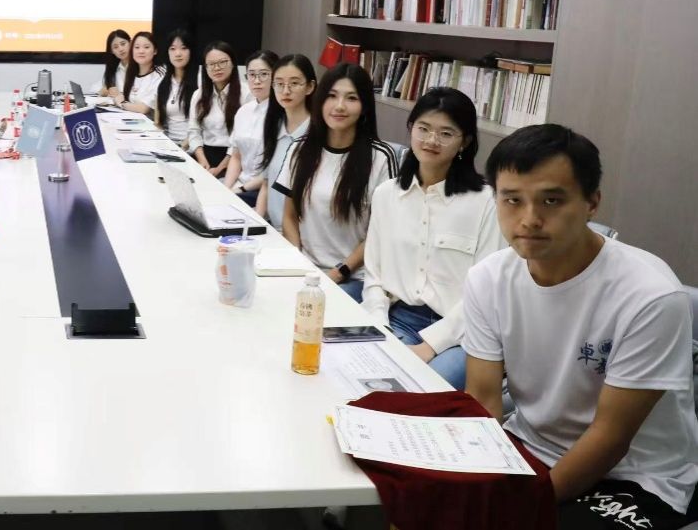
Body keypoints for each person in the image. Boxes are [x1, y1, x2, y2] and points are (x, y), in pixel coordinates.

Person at [463, 125, 698, 529]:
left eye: (551, 200)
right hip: (529, 445)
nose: (529, 219)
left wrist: (524, 508)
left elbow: (610, 438)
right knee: (424, 500)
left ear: (592, 203)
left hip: (634, 476)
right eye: (512, 200)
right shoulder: (487, 279)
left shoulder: (650, 296)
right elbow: (484, 400)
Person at [361, 88, 504, 391]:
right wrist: (380, 327)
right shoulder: (387, 194)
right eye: (423, 129)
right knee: (359, 382)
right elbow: (374, 276)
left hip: (463, 334)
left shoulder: (487, 201)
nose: (431, 140)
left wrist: (429, 346)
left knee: (420, 393)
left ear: (465, 142)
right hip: (396, 319)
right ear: (410, 129)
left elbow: (486, 292)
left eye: (446, 133)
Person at [275, 63, 398, 302]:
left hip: (355, 276)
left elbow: (382, 231)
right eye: (332, 96)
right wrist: (298, 260)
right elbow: (289, 215)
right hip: (305, 269)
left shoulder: (381, 157)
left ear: (364, 106)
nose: (339, 106)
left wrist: (338, 272)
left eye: (351, 98)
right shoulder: (300, 149)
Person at [256, 54, 316, 229]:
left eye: (294, 83)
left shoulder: (317, 133)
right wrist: (256, 221)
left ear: (310, 87)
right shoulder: (274, 127)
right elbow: (266, 183)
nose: (286, 91)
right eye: (279, 84)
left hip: (303, 235)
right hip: (274, 230)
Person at [224, 51, 278, 207]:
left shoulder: (281, 114)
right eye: (252, 75)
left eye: (263, 74)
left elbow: (273, 171)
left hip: (263, 190)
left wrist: (239, 190)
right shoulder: (244, 111)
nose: (257, 81)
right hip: (239, 185)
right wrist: (226, 188)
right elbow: (236, 156)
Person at [186, 41, 242, 176]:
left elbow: (240, 139)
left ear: (233, 63)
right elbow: (194, 131)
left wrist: (220, 168)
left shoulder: (245, 94)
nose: (217, 68)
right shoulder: (198, 95)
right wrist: (202, 160)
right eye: (211, 64)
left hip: (233, 158)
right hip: (203, 155)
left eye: (223, 62)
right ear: (205, 68)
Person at [154, 29, 198, 148]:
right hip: (169, 146)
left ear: (191, 51)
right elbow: (158, 123)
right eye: (172, 49)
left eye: (183, 48)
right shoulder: (163, 84)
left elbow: (204, 126)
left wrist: (183, 147)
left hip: (192, 147)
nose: (178, 53)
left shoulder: (200, 81)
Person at [117, 31, 166, 116]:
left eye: (146, 47)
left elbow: (143, 109)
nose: (141, 51)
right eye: (137, 47)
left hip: (151, 122)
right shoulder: (131, 71)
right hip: (131, 119)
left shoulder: (160, 74)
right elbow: (124, 97)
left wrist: (122, 103)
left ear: (155, 51)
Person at [95, 29, 131, 100]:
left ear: (130, 43)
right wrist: (104, 91)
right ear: (112, 51)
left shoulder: (140, 65)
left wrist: (120, 95)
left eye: (123, 44)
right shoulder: (114, 68)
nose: (120, 49)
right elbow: (95, 88)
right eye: (115, 47)